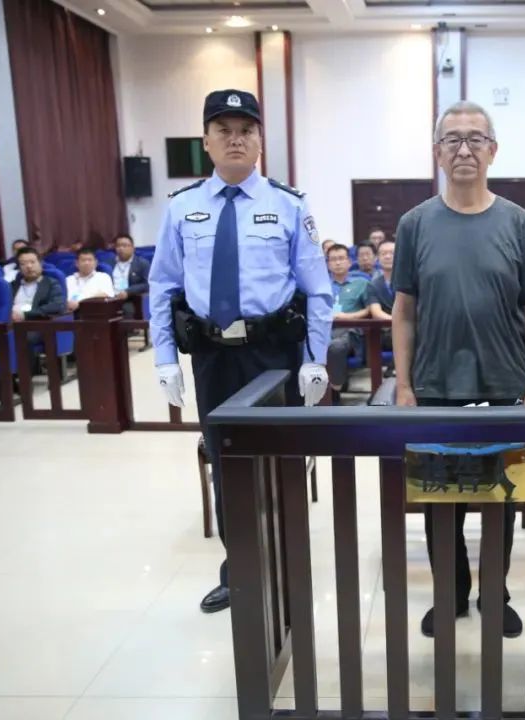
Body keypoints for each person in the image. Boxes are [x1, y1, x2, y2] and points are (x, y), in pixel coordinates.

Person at [149, 89, 332, 615]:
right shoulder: (182, 208)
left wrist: (315, 357)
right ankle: (241, 570)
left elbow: (317, 289)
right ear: (206, 141)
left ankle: (287, 563)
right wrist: (165, 357)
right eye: (223, 130)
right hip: (212, 356)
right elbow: (163, 286)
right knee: (225, 461)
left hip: (273, 354)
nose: (236, 139)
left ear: (260, 141)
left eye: (246, 130)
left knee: (281, 461)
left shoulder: (289, 204)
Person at [392, 100, 525, 639]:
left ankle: (494, 594)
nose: (464, 149)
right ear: (438, 153)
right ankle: (451, 594)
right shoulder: (415, 224)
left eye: (475, 139)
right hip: (435, 389)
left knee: (500, 503)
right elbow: (405, 310)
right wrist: (405, 387)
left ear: (493, 150)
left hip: (504, 388)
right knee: (442, 506)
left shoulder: (520, 223)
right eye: (453, 140)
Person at [10, 247, 66, 373]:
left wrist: (26, 315)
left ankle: (24, 376)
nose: (29, 266)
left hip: (38, 325)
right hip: (12, 323)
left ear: (40, 263)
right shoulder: (13, 285)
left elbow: (57, 305)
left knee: (22, 336)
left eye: (32, 262)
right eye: (23, 264)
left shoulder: (51, 283)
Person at [325, 243, 370, 397]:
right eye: (333, 259)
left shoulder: (362, 283)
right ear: (328, 264)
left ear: (349, 262)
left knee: (336, 346)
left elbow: (369, 310)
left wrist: (347, 317)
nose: (338, 263)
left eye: (341, 258)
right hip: (325, 329)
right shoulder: (321, 285)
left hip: (350, 331)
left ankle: (335, 390)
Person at [108, 234, 151, 318]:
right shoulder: (109, 263)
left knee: (128, 310)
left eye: (124, 246)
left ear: (132, 248)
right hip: (110, 299)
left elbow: (147, 284)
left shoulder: (142, 263)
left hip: (130, 299)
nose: (121, 248)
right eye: (118, 246)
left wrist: (128, 291)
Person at [366, 239, 396, 321]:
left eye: (392, 253)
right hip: (385, 326)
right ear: (377, 258)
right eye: (383, 254)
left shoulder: (412, 281)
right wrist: (398, 322)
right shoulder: (373, 285)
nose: (387, 257)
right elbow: (376, 313)